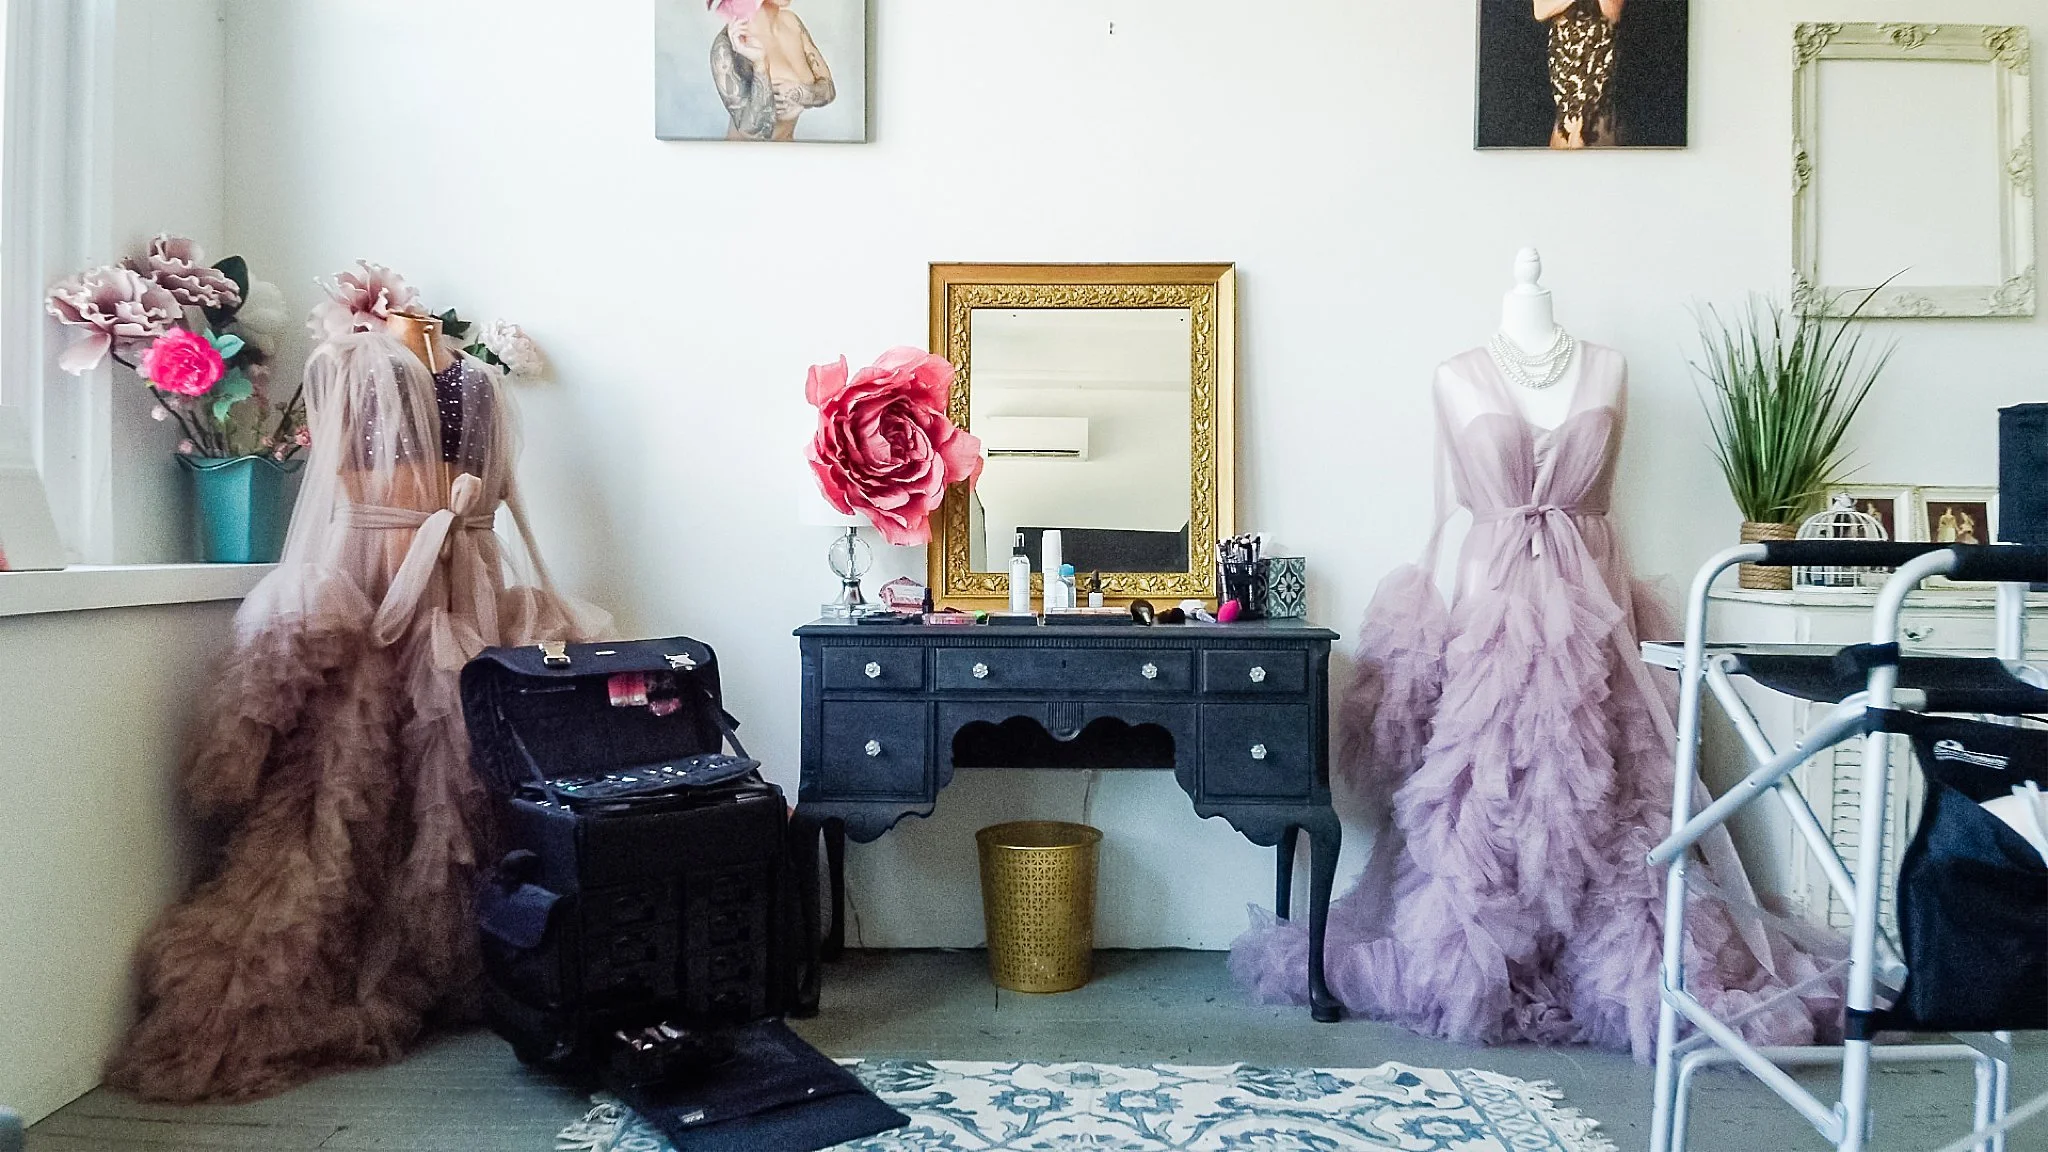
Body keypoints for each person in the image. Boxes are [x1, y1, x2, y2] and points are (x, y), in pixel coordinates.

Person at [109, 298, 605, 1103]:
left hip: (470, 584)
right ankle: (364, 966)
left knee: (474, 785)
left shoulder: (481, 381)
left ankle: (486, 956)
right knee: (348, 790)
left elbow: (501, 497)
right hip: (381, 579)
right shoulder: (348, 366)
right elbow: (340, 489)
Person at [710, 0, 835, 142]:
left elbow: (829, 90)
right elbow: (754, 132)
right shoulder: (727, 46)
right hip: (745, 160)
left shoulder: (791, 22)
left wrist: (800, 94)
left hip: (788, 155)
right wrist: (760, 65)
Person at [1537, 0, 1624, 149]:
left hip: (1596, 69)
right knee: (1565, 132)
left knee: (1596, 132)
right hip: (1567, 72)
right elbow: (1540, 11)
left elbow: (1612, 12)